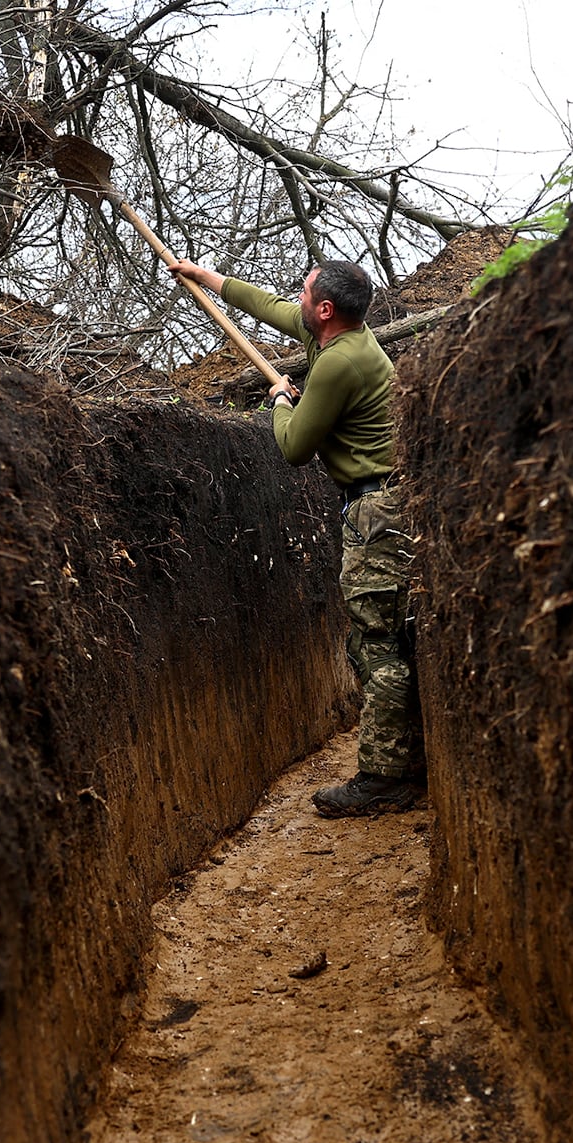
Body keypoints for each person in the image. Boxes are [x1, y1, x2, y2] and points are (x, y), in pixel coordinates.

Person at [169, 256, 425, 816]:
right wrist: (205, 277)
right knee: (382, 639)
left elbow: (293, 448)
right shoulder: (339, 335)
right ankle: (406, 760)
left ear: (326, 310)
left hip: (377, 512)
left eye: (305, 294)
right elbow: (271, 308)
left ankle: (386, 777)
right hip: (384, 503)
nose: (297, 300)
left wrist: (282, 402)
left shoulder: (340, 363)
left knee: (377, 644)